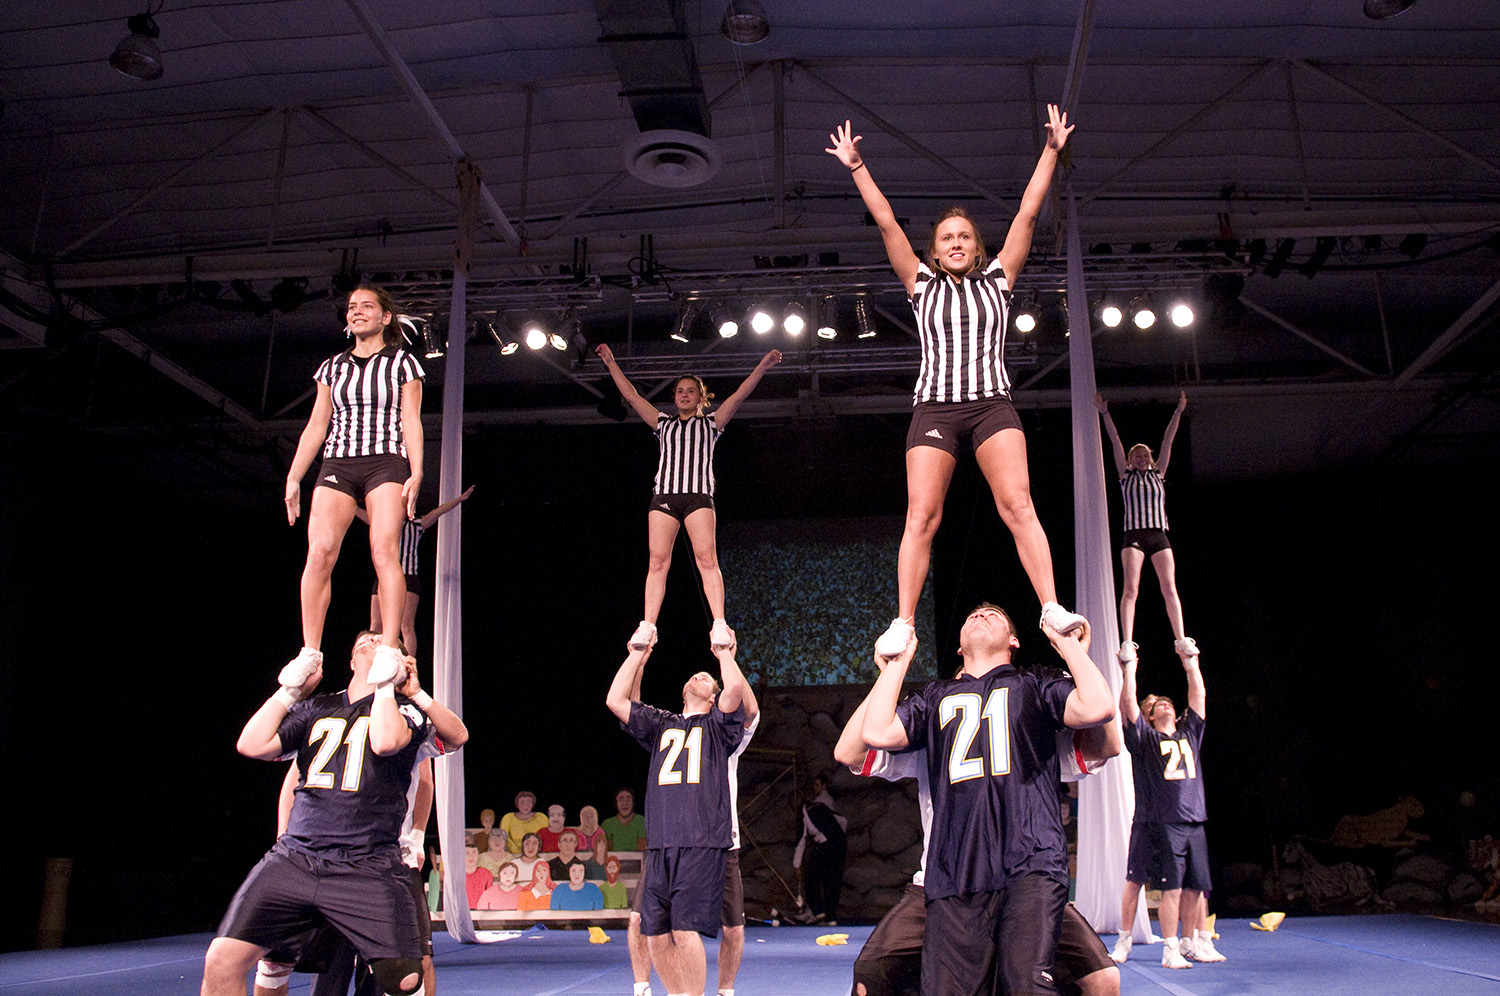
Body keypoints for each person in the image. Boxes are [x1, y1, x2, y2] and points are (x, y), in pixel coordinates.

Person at [825, 109, 1087, 659]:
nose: (957, 243)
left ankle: (1050, 607)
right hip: (936, 409)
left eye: (965, 236)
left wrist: (1050, 152)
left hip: (991, 404)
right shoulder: (920, 282)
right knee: (922, 516)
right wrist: (857, 167)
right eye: (947, 238)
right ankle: (903, 622)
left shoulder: (998, 278)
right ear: (935, 250)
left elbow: (1028, 212)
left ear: (977, 246)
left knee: (1018, 505)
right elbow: (887, 223)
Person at [834, 643, 1122, 996]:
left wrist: (1079, 660)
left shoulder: (1027, 733)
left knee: (1102, 979)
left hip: (1023, 878)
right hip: (945, 882)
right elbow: (849, 750)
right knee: (872, 975)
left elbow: (1106, 742)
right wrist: (887, 675)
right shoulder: (933, 735)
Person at [202, 631, 468, 996]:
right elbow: (251, 744)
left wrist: (398, 688)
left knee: (406, 978)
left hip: (365, 861)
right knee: (223, 959)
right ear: (351, 662)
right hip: (298, 855)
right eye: (365, 642)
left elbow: (394, 741)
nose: (372, 641)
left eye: (382, 642)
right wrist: (290, 691)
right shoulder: (318, 707)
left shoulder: (407, 711)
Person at [595, 343, 782, 652]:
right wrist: (611, 363)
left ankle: (719, 622)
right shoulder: (662, 423)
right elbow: (632, 396)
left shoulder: (711, 424)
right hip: (664, 498)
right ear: (675, 397)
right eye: (680, 391)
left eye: (690, 391)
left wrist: (762, 367)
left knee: (706, 558)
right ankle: (648, 625)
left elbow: (739, 396)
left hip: (698, 497)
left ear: (701, 397)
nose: (684, 395)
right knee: (657, 561)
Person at [282, 285, 424, 683]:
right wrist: (294, 476)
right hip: (339, 461)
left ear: (385, 317)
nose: (357, 312)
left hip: (386, 459)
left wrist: (417, 471)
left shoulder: (403, 364)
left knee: (383, 551)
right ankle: (311, 652)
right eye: (351, 307)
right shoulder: (332, 367)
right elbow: (317, 425)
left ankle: (390, 646)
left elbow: (411, 421)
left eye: (366, 306)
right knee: (319, 553)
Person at [606, 630, 748, 996]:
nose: (698, 676)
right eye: (694, 675)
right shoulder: (662, 724)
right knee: (654, 932)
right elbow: (616, 700)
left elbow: (734, 690)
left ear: (713, 696)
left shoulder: (719, 726)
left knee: (685, 930)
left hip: (702, 841)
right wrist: (637, 655)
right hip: (662, 842)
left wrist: (723, 652)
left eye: (707, 678)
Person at [1111, 647, 1224, 969]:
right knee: (1155, 884)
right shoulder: (1146, 739)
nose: (1164, 704)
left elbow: (1198, 696)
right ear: (1149, 716)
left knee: (1197, 886)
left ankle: (1193, 941)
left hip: (1194, 818)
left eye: (1168, 702)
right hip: (1160, 820)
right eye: (1156, 704)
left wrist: (1191, 664)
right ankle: (1150, 943)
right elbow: (1128, 705)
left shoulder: (1189, 733)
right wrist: (1129, 669)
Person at [1094, 392, 1197, 663]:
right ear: (1130, 460)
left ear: (1150, 458)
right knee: (1131, 589)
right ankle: (1127, 642)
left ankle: (1181, 638)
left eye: (1144, 455)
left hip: (1158, 535)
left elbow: (1168, 440)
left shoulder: (1159, 474)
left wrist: (1178, 411)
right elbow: (1115, 441)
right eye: (1136, 455)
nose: (1141, 458)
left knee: (1169, 587)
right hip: (1134, 536)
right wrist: (1105, 413)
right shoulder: (1125, 475)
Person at [354, 484, 474, 660]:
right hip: (383, 578)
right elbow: (361, 513)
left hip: (407, 576)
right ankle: (373, 660)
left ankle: (408, 662)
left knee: (405, 625)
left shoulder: (416, 524)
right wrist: (350, 502)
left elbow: (439, 511)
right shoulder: (383, 522)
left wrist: (460, 499)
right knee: (375, 624)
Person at [796, 772, 848, 925]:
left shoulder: (818, 804)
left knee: (815, 877)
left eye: (818, 785)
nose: (815, 787)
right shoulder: (820, 804)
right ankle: (828, 915)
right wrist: (838, 836)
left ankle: (817, 911)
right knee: (831, 880)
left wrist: (796, 864)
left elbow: (802, 839)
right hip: (837, 843)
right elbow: (842, 821)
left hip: (827, 844)